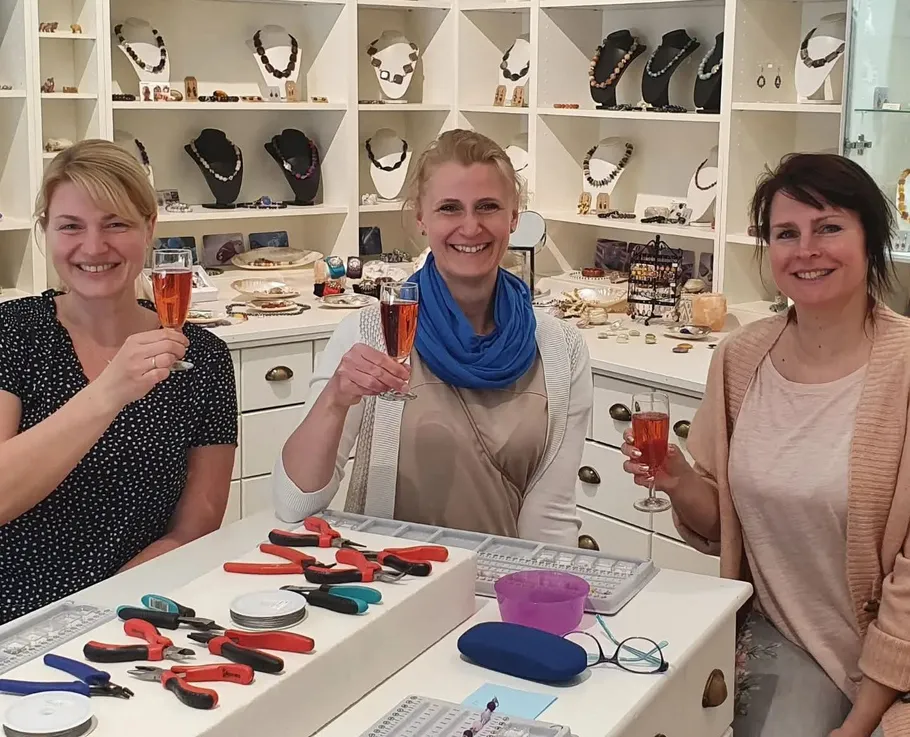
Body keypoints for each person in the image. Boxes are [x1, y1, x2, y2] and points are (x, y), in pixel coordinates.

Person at [621, 153, 910, 736]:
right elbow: (725, 527)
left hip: (893, 662)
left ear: (871, 238)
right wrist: (680, 482)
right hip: (784, 636)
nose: (807, 249)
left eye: (829, 227)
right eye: (786, 233)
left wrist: (861, 722)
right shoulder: (741, 357)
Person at [273, 129, 592, 544]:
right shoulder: (370, 333)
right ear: (422, 219)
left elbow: (550, 514)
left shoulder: (560, 349)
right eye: (449, 208)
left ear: (514, 218)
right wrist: (335, 398)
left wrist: (548, 597)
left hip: (496, 590)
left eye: (488, 207)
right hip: (387, 581)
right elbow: (292, 504)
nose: (471, 226)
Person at [0, 140, 237, 625]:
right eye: (71, 226)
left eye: (116, 224)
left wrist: (106, 614)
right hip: (18, 619)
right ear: (47, 231)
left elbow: (197, 524)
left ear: (149, 228)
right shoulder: (13, 333)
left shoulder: (204, 357)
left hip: (142, 612)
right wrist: (109, 393)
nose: (93, 247)